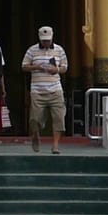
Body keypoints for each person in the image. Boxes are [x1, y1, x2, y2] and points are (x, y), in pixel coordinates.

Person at [24, 25, 69, 153]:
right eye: (44, 41)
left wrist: (56, 69)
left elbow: (65, 67)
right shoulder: (32, 50)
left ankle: (55, 145)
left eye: (48, 40)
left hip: (55, 89)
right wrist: (36, 67)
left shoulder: (59, 50)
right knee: (34, 119)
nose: (46, 43)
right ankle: (36, 134)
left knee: (59, 118)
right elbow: (24, 66)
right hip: (37, 90)